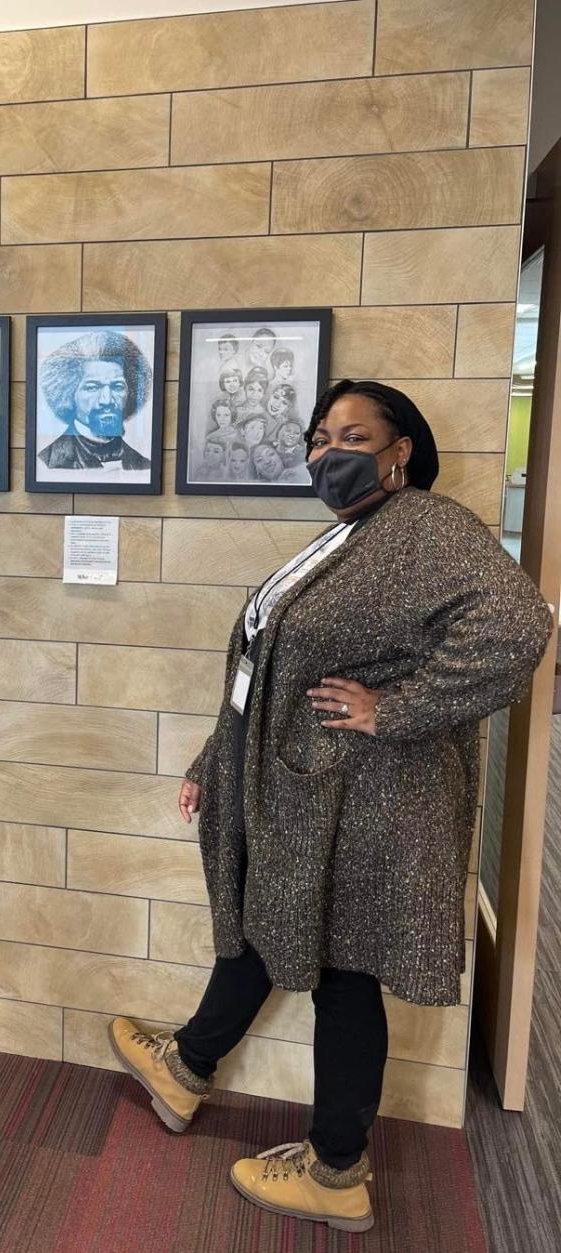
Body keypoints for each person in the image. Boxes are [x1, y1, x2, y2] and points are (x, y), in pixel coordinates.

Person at [109, 379, 553, 1234]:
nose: (327, 450)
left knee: (343, 972)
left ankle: (335, 1168)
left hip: (372, 805)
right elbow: (266, 666)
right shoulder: (352, 536)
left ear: (400, 452)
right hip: (313, 797)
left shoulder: (428, 527)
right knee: (290, 929)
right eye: (318, 436)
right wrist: (218, 753)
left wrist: (395, 707)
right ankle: (190, 1067)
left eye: (352, 434)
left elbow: (518, 626)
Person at [38, 330, 151, 471]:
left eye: (117, 386)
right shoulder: (49, 462)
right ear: (70, 393)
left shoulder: (143, 466)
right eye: (92, 387)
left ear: (130, 392)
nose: (107, 400)